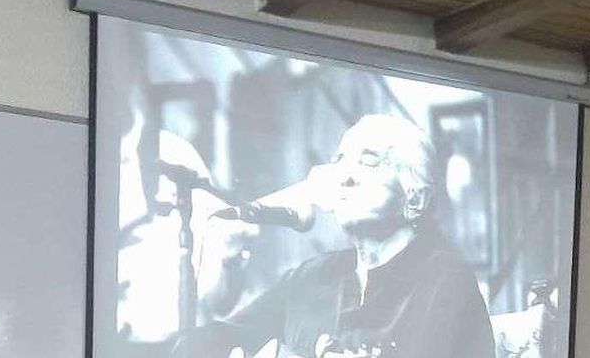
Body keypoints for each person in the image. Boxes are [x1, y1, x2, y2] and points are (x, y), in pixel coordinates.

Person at [173, 114, 495, 358]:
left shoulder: (446, 280)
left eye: (369, 160)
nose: (345, 176)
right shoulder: (308, 278)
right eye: (339, 161)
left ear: (415, 199)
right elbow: (211, 342)